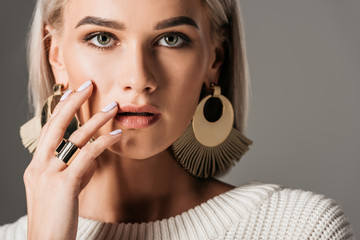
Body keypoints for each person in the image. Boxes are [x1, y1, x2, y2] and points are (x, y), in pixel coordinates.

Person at [0, 0, 355, 239]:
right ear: (55, 56)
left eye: (171, 39)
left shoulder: (300, 228)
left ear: (214, 58)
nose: (139, 79)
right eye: (102, 38)